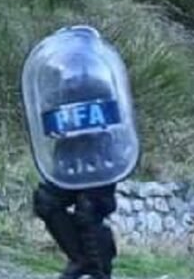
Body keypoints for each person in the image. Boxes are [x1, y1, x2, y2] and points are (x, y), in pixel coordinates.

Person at [24, 26, 138, 279]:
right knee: (46, 201)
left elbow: (116, 121)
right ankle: (81, 262)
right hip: (68, 158)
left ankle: (97, 272)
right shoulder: (60, 87)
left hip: (101, 160)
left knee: (89, 210)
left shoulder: (102, 81)